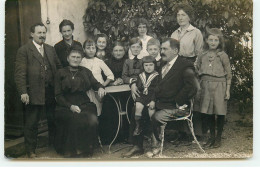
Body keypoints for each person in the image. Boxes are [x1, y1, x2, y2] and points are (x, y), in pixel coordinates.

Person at [14, 22, 62, 158]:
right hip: (33, 93)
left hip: (51, 91)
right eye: (39, 33)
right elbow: (20, 74)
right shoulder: (24, 51)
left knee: (53, 119)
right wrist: (23, 91)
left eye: (44, 32)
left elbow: (58, 68)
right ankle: (31, 150)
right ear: (32, 34)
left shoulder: (50, 49)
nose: (42, 35)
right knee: (32, 122)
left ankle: (54, 145)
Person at [149, 38, 198, 157]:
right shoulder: (162, 64)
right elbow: (157, 86)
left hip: (178, 106)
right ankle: (141, 145)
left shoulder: (185, 65)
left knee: (156, 116)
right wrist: (153, 100)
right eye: (161, 48)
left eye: (165, 49)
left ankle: (156, 145)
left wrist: (178, 101)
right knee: (137, 110)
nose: (161, 51)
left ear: (175, 50)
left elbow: (193, 86)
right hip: (162, 103)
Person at [54, 46, 106, 157]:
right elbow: (58, 95)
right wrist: (70, 106)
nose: (75, 59)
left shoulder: (86, 71)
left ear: (81, 59)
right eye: (73, 57)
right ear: (68, 58)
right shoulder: (60, 73)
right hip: (65, 104)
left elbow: (96, 83)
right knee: (75, 119)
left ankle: (87, 149)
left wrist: (101, 87)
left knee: (91, 119)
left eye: (78, 57)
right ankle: (74, 151)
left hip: (84, 102)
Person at [194, 28, 232, 148]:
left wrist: (227, 90)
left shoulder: (222, 55)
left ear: (219, 42)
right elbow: (197, 67)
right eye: (211, 40)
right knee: (208, 112)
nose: (213, 42)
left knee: (219, 112)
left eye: (216, 40)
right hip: (205, 85)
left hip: (219, 85)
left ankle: (218, 138)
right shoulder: (202, 54)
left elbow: (228, 74)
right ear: (206, 40)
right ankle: (211, 137)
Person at [80, 37, 114, 116]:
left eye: (93, 48)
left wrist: (102, 86)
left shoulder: (99, 61)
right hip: (87, 90)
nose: (91, 50)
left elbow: (110, 75)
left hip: (99, 90)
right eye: (88, 48)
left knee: (99, 109)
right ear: (84, 50)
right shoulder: (81, 61)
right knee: (89, 111)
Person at [131, 56, 159, 136]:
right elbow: (138, 85)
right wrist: (136, 86)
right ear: (143, 66)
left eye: (151, 65)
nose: (148, 67)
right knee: (138, 107)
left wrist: (153, 100)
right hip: (142, 96)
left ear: (154, 65)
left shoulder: (157, 76)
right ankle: (138, 126)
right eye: (146, 65)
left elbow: (157, 90)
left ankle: (154, 131)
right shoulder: (141, 75)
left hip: (152, 96)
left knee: (151, 112)